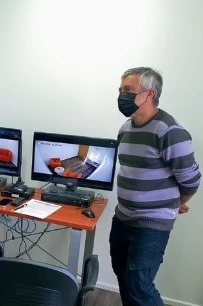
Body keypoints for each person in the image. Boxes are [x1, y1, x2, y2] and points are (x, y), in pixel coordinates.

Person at [110, 67, 201, 306]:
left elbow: (191, 180)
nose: (121, 95)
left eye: (128, 90)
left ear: (149, 94)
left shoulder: (169, 130)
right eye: (120, 90)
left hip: (151, 222)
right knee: (123, 275)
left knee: (140, 283)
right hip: (123, 217)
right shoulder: (126, 128)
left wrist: (177, 204)